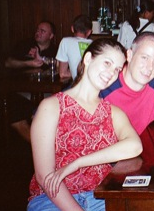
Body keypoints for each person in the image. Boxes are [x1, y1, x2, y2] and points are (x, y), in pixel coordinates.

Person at [28, 38, 142, 211]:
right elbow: (45, 176)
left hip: (99, 197)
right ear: (88, 59)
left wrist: (78, 163)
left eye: (117, 69)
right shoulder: (51, 107)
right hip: (52, 198)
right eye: (107, 63)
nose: (111, 72)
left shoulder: (113, 112)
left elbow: (135, 146)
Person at [55, 15, 93, 80]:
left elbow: (62, 74)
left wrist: (74, 72)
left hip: (79, 86)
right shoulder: (95, 44)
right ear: (89, 32)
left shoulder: (66, 42)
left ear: (72, 29)